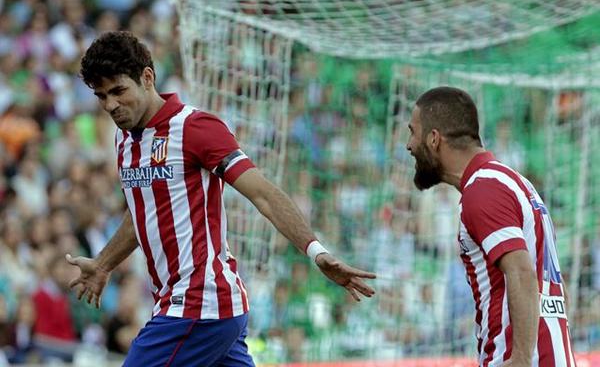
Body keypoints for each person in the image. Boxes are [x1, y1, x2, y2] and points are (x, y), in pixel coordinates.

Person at [66, 31, 376, 366]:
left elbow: (264, 195)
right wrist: (103, 264)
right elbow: (145, 211)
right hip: (206, 309)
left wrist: (317, 252)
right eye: (101, 96)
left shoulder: (195, 127)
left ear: (147, 77)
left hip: (199, 303)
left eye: (118, 91)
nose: (110, 105)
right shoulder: (124, 141)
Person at [405, 86, 575, 367]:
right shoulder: (517, 183)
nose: (409, 145)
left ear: (434, 139)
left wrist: (520, 358)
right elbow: (558, 290)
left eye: (412, 132)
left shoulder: (483, 190)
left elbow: (521, 272)